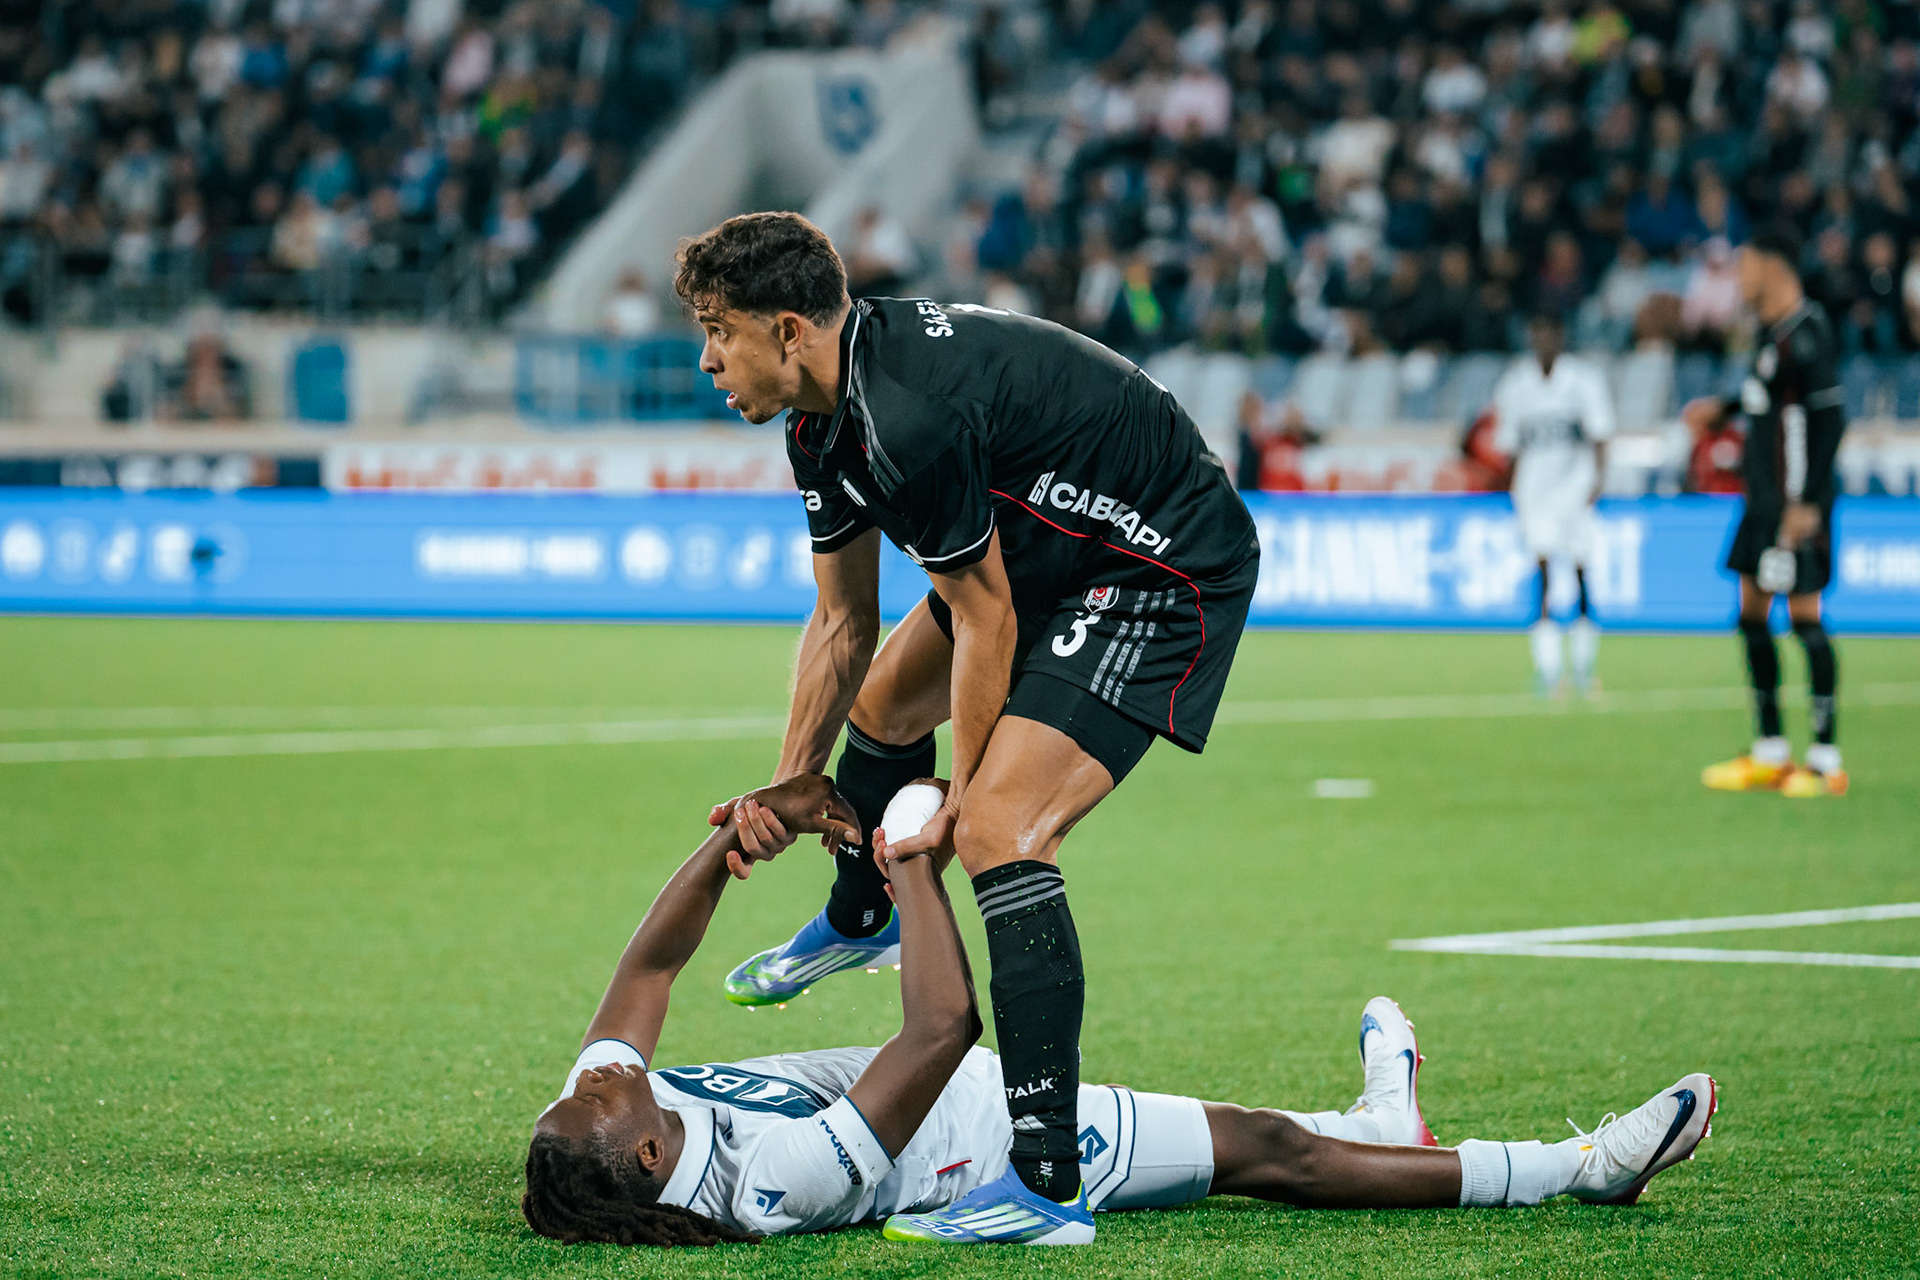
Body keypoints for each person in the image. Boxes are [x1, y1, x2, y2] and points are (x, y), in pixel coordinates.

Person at [672, 211, 1261, 1242]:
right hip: (1048, 549)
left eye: (720, 330)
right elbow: (843, 619)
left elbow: (985, 617)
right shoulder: (819, 420)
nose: (708, 357)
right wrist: (795, 781)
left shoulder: (905, 411)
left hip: (1157, 561)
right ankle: (864, 917)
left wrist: (963, 799)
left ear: (790, 329)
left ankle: (1046, 1184)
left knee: (1000, 828)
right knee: (884, 706)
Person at [521, 775, 1719, 1248]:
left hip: (954, 1096)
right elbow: (939, 1033)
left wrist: (729, 841)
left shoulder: (610, 1133)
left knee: (1266, 1133)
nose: (593, 1069)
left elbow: (646, 974)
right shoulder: (771, 1181)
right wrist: (912, 870)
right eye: (597, 1089)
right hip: (977, 1142)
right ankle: (1573, 1168)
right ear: (639, 1147)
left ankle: (1388, 1123)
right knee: (1273, 1157)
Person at [1688, 224, 1849, 798]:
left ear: (1774, 269)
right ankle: (1772, 751)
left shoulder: (1808, 335)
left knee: (1804, 619)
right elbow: (1767, 401)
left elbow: (1829, 421)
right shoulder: (1769, 335)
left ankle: (1826, 760)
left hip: (1795, 507)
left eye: (1746, 266)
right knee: (1752, 618)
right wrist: (1721, 409)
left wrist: (1807, 505)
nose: (1739, 278)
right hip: (1761, 505)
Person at [1491, 312, 1616, 697]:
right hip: (1535, 493)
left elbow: (1600, 434)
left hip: (1576, 490)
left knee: (1581, 573)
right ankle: (1549, 670)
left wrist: (1597, 479)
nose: (1544, 341)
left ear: (1561, 337)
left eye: (1550, 333)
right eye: (1537, 333)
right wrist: (1512, 488)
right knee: (1543, 573)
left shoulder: (1583, 381)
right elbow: (1508, 445)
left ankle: (1583, 666)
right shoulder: (1515, 384)